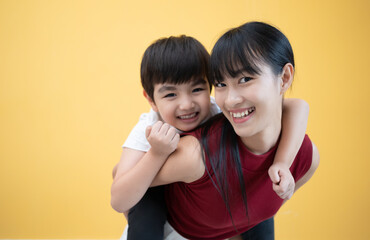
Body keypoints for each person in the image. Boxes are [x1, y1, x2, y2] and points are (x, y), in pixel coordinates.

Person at [111, 32, 311, 240]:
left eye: (197, 89)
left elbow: (298, 106)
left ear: (210, 87)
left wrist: (281, 163)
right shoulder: (149, 127)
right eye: (170, 94)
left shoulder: (221, 107)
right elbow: (119, 198)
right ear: (151, 99)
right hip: (159, 194)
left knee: (256, 200)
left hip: (208, 194)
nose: (187, 104)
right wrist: (157, 153)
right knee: (145, 214)